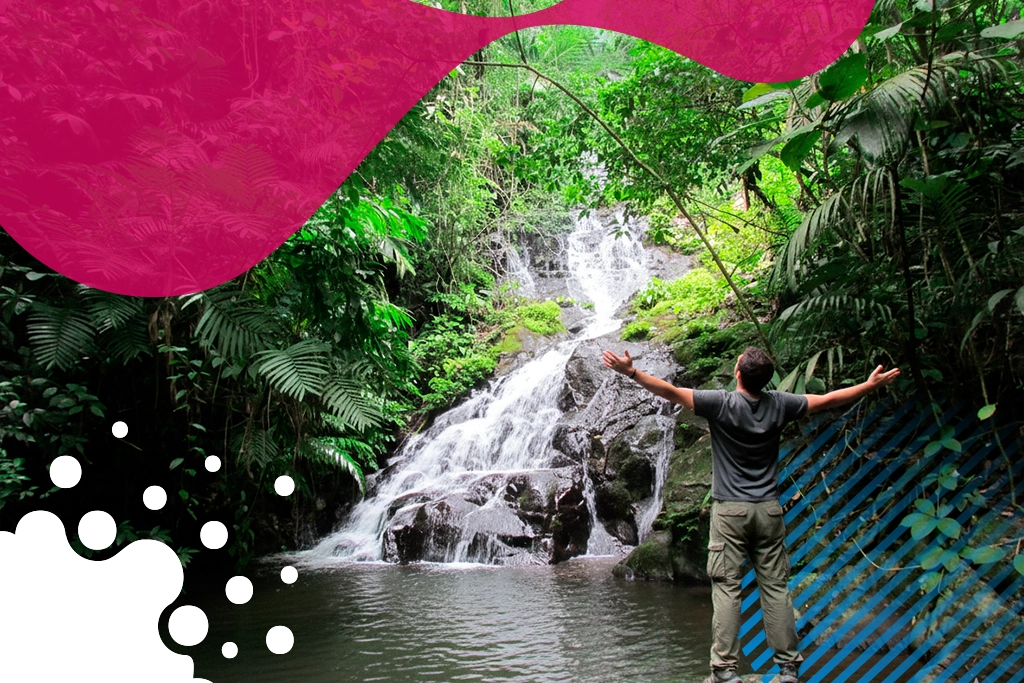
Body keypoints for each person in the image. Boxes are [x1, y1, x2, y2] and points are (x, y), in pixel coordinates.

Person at [601, 346, 900, 683]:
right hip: (769, 510)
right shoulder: (781, 403)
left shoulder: (720, 403)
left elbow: (669, 392)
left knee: (727, 588)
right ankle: (788, 669)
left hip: (730, 511)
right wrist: (869, 386)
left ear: (738, 374)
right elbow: (829, 399)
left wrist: (630, 372)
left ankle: (725, 671)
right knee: (775, 587)